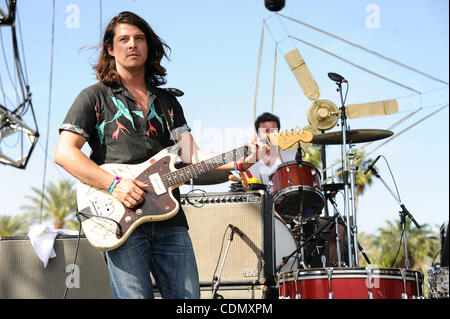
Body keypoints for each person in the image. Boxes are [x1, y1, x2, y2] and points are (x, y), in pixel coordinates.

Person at [54, 11, 262, 299]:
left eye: (139, 38)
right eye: (123, 39)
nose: (132, 44)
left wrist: (241, 159)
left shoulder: (168, 101)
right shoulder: (93, 97)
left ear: (148, 47)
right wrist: (114, 184)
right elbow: (64, 153)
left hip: (170, 221)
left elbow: (192, 154)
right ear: (111, 49)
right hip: (119, 217)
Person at [248, 112, 346, 267]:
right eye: (264, 131)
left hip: (296, 214)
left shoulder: (291, 155)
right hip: (266, 217)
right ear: (257, 134)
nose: (269, 134)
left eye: (273, 131)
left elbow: (302, 187)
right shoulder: (249, 162)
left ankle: (332, 271)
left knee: (338, 230)